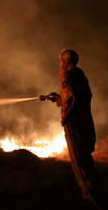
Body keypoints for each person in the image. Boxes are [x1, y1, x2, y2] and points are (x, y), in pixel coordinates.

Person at [41, 49, 98, 201]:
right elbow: (75, 97)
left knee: (78, 153)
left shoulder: (66, 75)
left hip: (75, 121)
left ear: (65, 61)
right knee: (86, 151)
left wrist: (65, 116)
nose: (59, 63)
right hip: (85, 118)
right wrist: (58, 98)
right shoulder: (80, 74)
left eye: (60, 60)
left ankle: (88, 190)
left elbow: (72, 99)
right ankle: (92, 186)